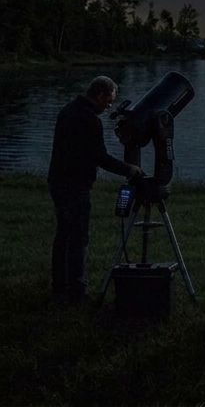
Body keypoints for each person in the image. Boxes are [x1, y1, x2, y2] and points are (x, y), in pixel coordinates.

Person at [48, 75, 142, 304]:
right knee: (78, 238)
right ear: (99, 94)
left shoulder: (67, 110)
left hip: (58, 181)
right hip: (76, 184)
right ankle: (76, 292)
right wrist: (129, 169)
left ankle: (60, 288)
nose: (108, 107)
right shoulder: (90, 120)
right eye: (108, 101)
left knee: (63, 235)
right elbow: (100, 157)